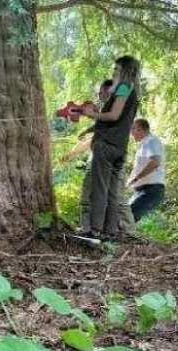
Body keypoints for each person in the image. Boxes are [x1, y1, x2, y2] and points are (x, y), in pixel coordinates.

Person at [60, 79, 134, 234]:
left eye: (101, 92)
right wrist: (87, 126)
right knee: (91, 194)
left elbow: (102, 128)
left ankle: (124, 230)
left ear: (109, 91)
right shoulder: (106, 112)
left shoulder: (116, 111)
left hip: (108, 156)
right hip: (101, 157)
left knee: (115, 195)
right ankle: (93, 229)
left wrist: (72, 154)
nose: (99, 95)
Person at [81, 55, 141, 237]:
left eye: (116, 69)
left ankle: (95, 230)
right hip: (119, 147)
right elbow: (120, 118)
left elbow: (114, 115)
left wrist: (93, 114)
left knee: (99, 188)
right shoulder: (134, 90)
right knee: (113, 192)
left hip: (107, 145)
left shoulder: (123, 87)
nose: (113, 72)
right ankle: (108, 231)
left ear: (125, 70)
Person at [127, 118, 165, 221]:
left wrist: (137, 178)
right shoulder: (143, 145)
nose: (131, 134)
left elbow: (155, 162)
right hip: (141, 190)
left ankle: (117, 236)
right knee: (124, 213)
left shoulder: (151, 141)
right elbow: (138, 168)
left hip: (151, 190)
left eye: (132, 130)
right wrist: (127, 183)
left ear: (139, 129)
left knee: (127, 216)